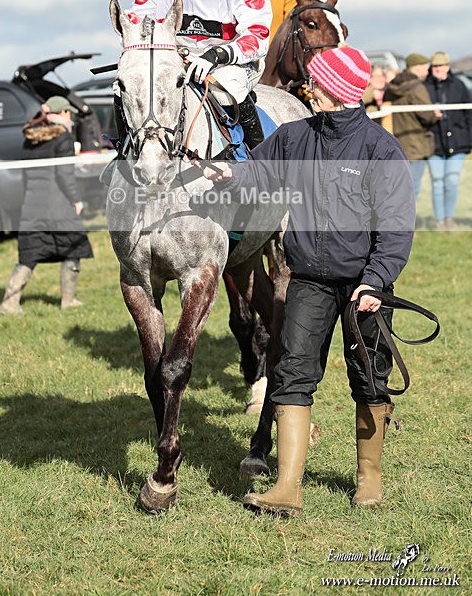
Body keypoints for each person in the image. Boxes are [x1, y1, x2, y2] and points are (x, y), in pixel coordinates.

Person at [196, 45, 416, 517]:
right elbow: (256, 173)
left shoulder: (381, 149)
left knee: (370, 379)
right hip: (309, 282)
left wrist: (375, 282)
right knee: (291, 374)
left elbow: (396, 228)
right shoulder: (294, 137)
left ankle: (368, 480)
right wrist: (225, 175)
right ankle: (287, 486)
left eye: (318, 83)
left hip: (364, 286)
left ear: (336, 92)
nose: (309, 89)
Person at [121, 0, 273, 151]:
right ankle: (124, 153)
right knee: (127, 86)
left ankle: (263, 160)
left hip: (233, 59)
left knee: (227, 89)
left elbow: (258, 34)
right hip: (180, 56)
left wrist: (217, 55)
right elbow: (140, 17)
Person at [0, 95, 93, 315]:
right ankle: (68, 301)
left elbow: (25, 176)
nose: (71, 117)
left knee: (29, 255)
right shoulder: (64, 139)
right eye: (68, 113)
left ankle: (8, 303)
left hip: (32, 204)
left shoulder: (30, 139)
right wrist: (76, 200)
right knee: (73, 246)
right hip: (58, 205)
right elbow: (65, 175)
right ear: (62, 114)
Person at [383, 53, 441, 197]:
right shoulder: (416, 87)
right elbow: (426, 114)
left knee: (396, 187)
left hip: (395, 142)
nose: (427, 71)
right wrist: (435, 115)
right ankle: (406, 219)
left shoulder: (392, 86)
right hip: (415, 144)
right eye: (425, 67)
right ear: (417, 67)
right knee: (412, 188)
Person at [425, 51, 472, 230]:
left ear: (448, 66)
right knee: (437, 181)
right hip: (434, 144)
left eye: (441, 66)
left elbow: (468, 114)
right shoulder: (425, 87)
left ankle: (450, 218)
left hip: (458, 143)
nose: (438, 69)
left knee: (452, 180)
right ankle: (439, 220)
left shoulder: (459, 86)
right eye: (435, 66)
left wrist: (468, 139)